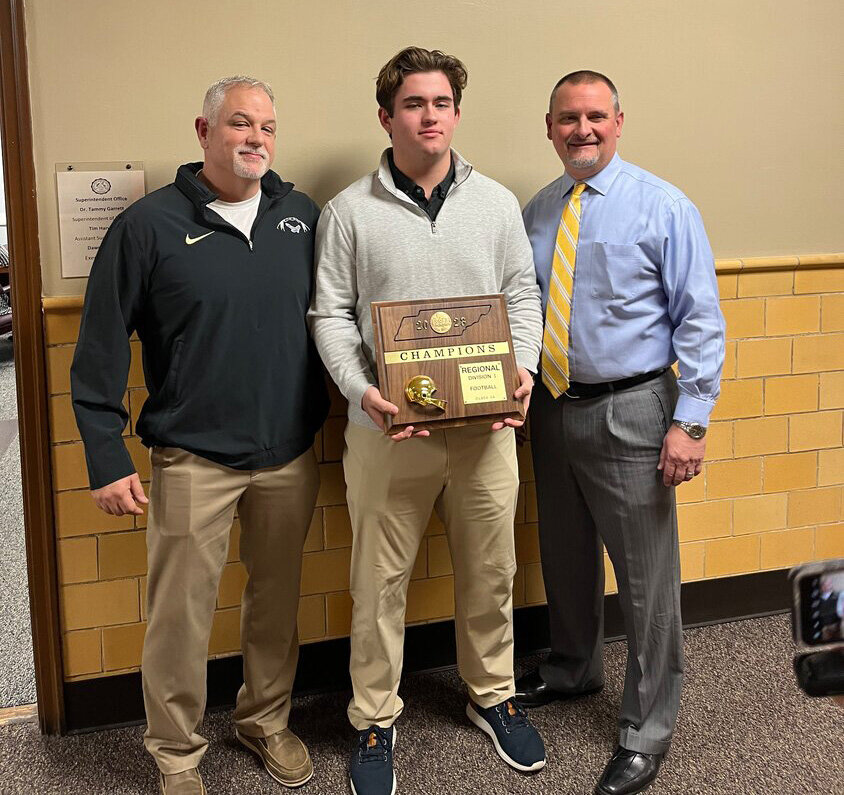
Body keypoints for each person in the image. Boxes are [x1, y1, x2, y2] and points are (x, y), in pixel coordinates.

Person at [71, 76, 329, 795]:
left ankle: (264, 719)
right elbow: (99, 346)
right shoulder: (148, 225)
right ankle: (177, 751)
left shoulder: (300, 215)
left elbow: (334, 320)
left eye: (268, 127)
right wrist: (103, 451)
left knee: (277, 602)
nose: (256, 138)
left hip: (288, 454)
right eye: (240, 123)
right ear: (204, 130)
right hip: (191, 458)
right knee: (180, 617)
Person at [309, 46, 546, 795]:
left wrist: (526, 368)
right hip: (388, 433)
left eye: (442, 103)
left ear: (456, 112)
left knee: (492, 569)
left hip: (485, 431)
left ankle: (492, 694)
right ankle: (375, 716)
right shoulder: (349, 211)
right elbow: (331, 316)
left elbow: (521, 296)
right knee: (377, 583)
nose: (430, 116)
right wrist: (360, 388)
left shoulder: (498, 204)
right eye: (414, 104)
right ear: (387, 116)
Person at [517, 70, 725, 795]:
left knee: (645, 579)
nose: (583, 129)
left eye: (596, 117)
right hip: (552, 407)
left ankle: (646, 727)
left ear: (619, 121)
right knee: (564, 554)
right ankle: (572, 668)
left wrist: (689, 421)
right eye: (568, 118)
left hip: (634, 408)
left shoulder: (663, 206)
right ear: (549, 127)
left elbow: (700, 319)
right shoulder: (538, 211)